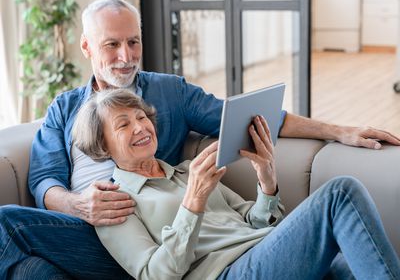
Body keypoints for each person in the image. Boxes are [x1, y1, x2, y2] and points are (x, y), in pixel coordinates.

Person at [1, 0, 400, 279]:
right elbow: (43, 180)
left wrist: (337, 131)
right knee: (11, 233)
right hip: (96, 228)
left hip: (173, 234)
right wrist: (80, 205)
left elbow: (249, 118)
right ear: (87, 46)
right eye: (112, 44)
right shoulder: (65, 109)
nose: (126, 55)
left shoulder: (175, 123)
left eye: (134, 41)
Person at [72, 88, 400, 279]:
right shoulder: (114, 205)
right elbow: (157, 275)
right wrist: (192, 203)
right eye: (123, 124)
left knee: (352, 267)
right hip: (229, 273)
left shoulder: (189, 170)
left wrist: (267, 181)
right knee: (340, 193)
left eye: (142, 117)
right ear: (103, 145)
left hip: (264, 254)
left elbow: (254, 221)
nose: (140, 127)